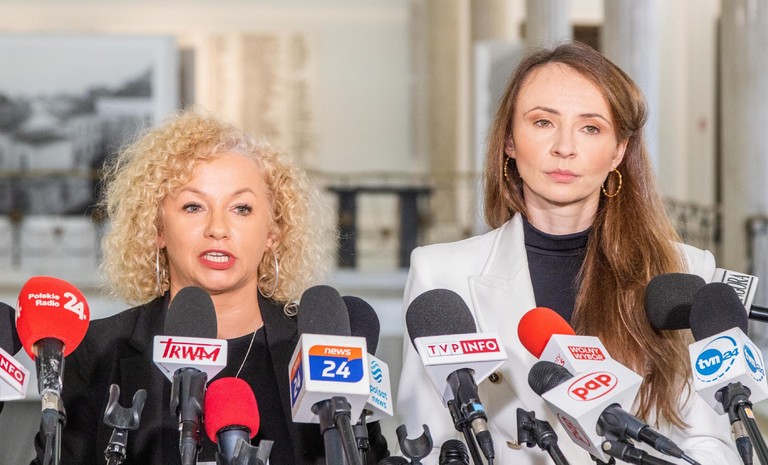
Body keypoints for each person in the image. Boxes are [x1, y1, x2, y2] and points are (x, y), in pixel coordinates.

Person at [396, 41, 739, 464]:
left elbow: (709, 444)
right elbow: (427, 443)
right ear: (509, 140)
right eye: (543, 122)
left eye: (590, 128)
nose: (564, 147)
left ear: (618, 151)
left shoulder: (683, 272)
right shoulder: (440, 274)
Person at [32, 109, 388, 465]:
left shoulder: (322, 352)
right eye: (193, 206)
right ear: (156, 228)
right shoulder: (97, 353)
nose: (218, 228)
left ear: (273, 232)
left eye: (241, 209)